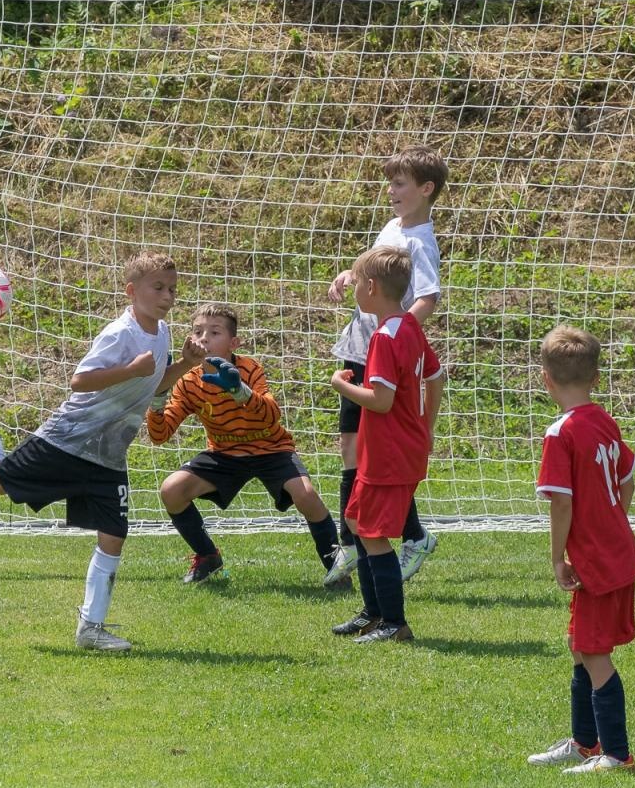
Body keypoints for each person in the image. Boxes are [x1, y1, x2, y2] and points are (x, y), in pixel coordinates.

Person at [0, 251, 203, 652]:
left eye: (172, 289)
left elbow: (154, 383)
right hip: (69, 439)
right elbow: (80, 381)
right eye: (158, 288)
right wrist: (130, 369)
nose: (167, 296)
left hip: (108, 454)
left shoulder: (163, 332)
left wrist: (184, 362)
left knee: (114, 534)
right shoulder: (119, 333)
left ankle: (90, 628)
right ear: (132, 292)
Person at [323, 144, 446, 589]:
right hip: (359, 348)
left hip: (380, 356)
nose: (390, 190)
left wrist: (396, 332)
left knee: (374, 457)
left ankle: (399, 538)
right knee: (350, 451)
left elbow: (427, 298)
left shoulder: (420, 242)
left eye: (399, 183)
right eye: (390, 182)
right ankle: (354, 542)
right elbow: (373, 271)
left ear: (426, 189)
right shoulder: (393, 226)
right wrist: (348, 275)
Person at [146, 303, 340, 583]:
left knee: (305, 494)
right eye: (198, 331)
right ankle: (208, 557)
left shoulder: (249, 369)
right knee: (171, 490)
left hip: (271, 449)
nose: (204, 338)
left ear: (233, 343)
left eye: (214, 332)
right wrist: (157, 397)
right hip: (225, 454)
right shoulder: (188, 381)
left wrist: (240, 391)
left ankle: (336, 565)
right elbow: (159, 434)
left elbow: (272, 417)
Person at [526, 326, 635, 774]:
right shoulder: (604, 420)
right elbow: (629, 476)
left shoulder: (561, 433)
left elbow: (561, 501)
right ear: (596, 378)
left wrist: (558, 557)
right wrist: (613, 521)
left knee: (594, 653)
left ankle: (616, 754)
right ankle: (584, 743)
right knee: (580, 644)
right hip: (617, 550)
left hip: (595, 558)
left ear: (546, 380)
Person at [328, 246, 445, 644]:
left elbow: (381, 400)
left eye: (357, 282)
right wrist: (426, 427)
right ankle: (373, 613)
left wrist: (343, 385)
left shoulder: (384, 336)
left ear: (372, 287)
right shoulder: (409, 326)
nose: (354, 288)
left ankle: (395, 623)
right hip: (393, 448)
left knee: (373, 534)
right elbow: (436, 375)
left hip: (390, 452)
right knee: (359, 523)